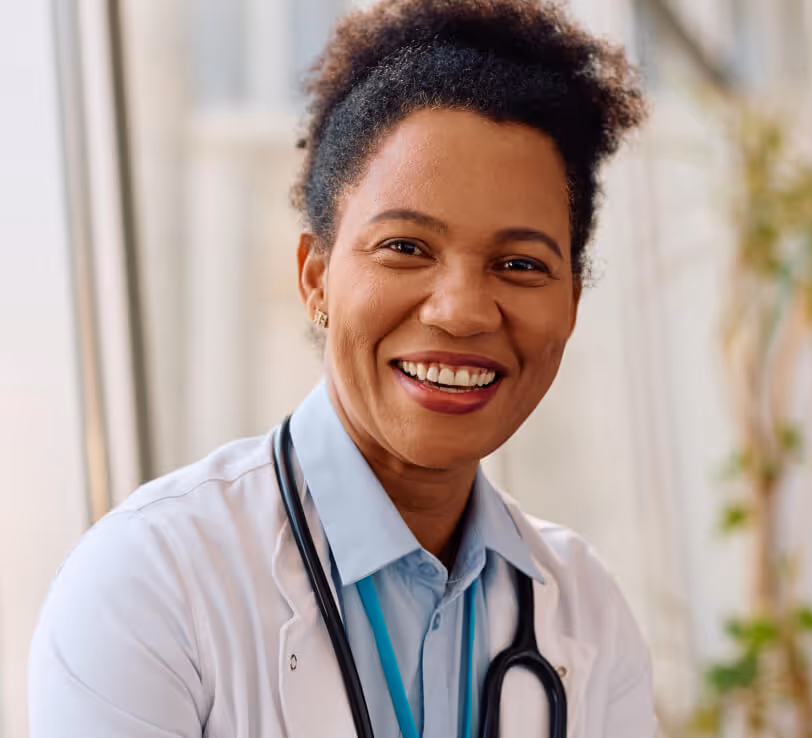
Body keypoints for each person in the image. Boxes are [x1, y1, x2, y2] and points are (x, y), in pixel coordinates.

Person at [28, 0, 653, 736]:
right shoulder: (146, 584)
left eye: (519, 264)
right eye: (406, 248)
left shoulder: (586, 609)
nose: (462, 311)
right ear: (316, 277)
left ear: (571, 305)